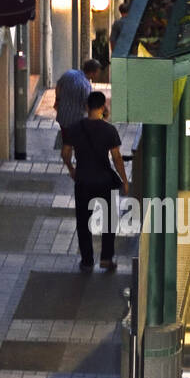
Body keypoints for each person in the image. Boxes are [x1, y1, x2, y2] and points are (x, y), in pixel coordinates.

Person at [61, 91, 129, 273]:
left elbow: (65, 153)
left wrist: (72, 169)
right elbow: (117, 158)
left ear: (86, 107)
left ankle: (87, 260)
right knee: (109, 220)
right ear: (102, 107)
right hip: (104, 181)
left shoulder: (74, 128)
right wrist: (124, 180)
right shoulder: (109, 130)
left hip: (83, 180)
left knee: (83, 222)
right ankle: (106, 258)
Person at [54, 60, 102, 148]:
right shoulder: (86, 86)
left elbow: (58, 86)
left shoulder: (69, 73)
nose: (99, 74)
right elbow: (88, 105)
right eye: (98, 72)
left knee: (66, 142)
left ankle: (66, 156)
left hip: (62, 117)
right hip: (76, 121)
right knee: (79, 144)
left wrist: (57, 100)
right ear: (92, 72)